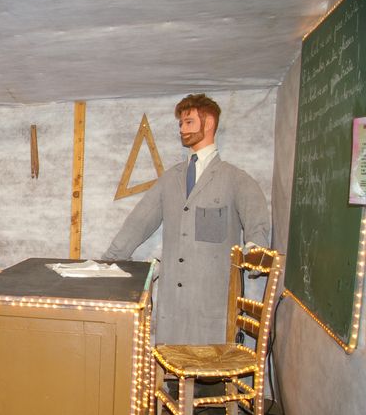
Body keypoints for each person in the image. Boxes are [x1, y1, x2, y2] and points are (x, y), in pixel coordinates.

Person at [103, 94, 270, 345]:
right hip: (173, 304)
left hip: (214, 303)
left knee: (210, 366)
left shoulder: (236, 180)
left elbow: (257, 225)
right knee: (170, 362)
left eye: (189, 122)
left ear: (209, 123)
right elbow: (139, 221)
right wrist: (109, 262)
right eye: (181, 123)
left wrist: (255, 254)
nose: (182, 129)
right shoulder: (170, 179)